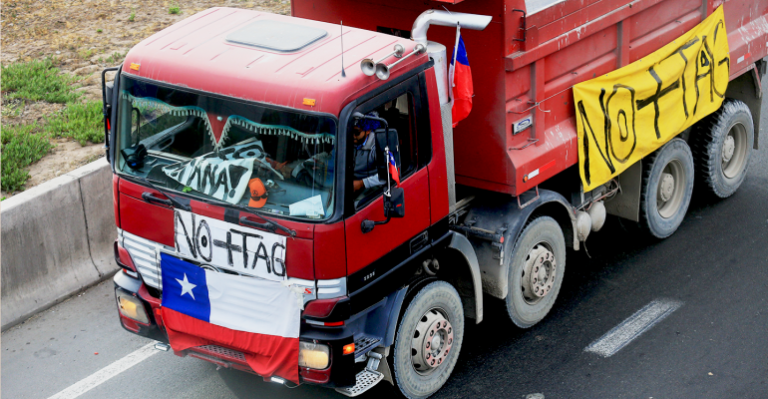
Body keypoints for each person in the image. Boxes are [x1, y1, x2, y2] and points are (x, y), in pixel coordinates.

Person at [352, 111, 387, 193]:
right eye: (351, 132)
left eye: (357, 132)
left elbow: (387, 174)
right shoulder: (349, 141)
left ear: (368, 130)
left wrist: (362, 183)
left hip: (371, 188)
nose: (353, 136)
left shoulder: (378, 146)